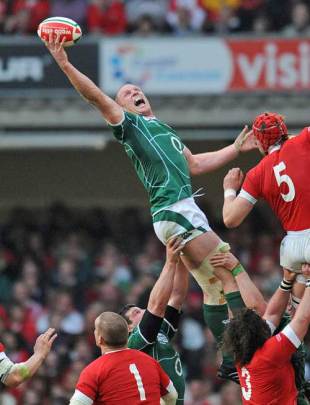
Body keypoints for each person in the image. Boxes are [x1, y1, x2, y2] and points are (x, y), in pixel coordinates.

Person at [44, 34, 256, 380]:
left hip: (182, 211)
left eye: (136, 89)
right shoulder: (131, 126)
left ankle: (230, 360)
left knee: (215, 287)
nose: (134, 92)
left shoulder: (163, 129)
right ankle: (243, 355)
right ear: (123, 107)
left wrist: (235, 148)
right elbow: (95, 96)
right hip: (174, 210)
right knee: (230, 271)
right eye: (126, 93)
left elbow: (196, 164)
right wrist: (65, 63)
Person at [222, 112, 310, 306]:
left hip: (293, 246)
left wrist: (229, 189)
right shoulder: (304, 140)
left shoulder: (257, 174)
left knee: (298, 311)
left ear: (260, 145)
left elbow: (230, 219)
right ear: (284, 132)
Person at [210, 251, 310, 405]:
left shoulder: (244, 352)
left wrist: (287, 281)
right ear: (257, 333)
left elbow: (272, 315)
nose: (263, 319)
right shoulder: (268, 354)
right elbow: (302, 319)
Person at [120, 236, 187, 404]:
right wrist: (170, 262)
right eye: (136, 312)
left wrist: (182, 258)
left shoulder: (160, 331)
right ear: (128, 328)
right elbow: (156, 306)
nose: (142, 311)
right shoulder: (134, 342)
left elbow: (177, 296)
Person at [69, 311, 178, 405]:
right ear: (127, 335)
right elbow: (172, 396)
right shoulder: (150, 361)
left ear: (100, 339)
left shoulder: (94, 370)